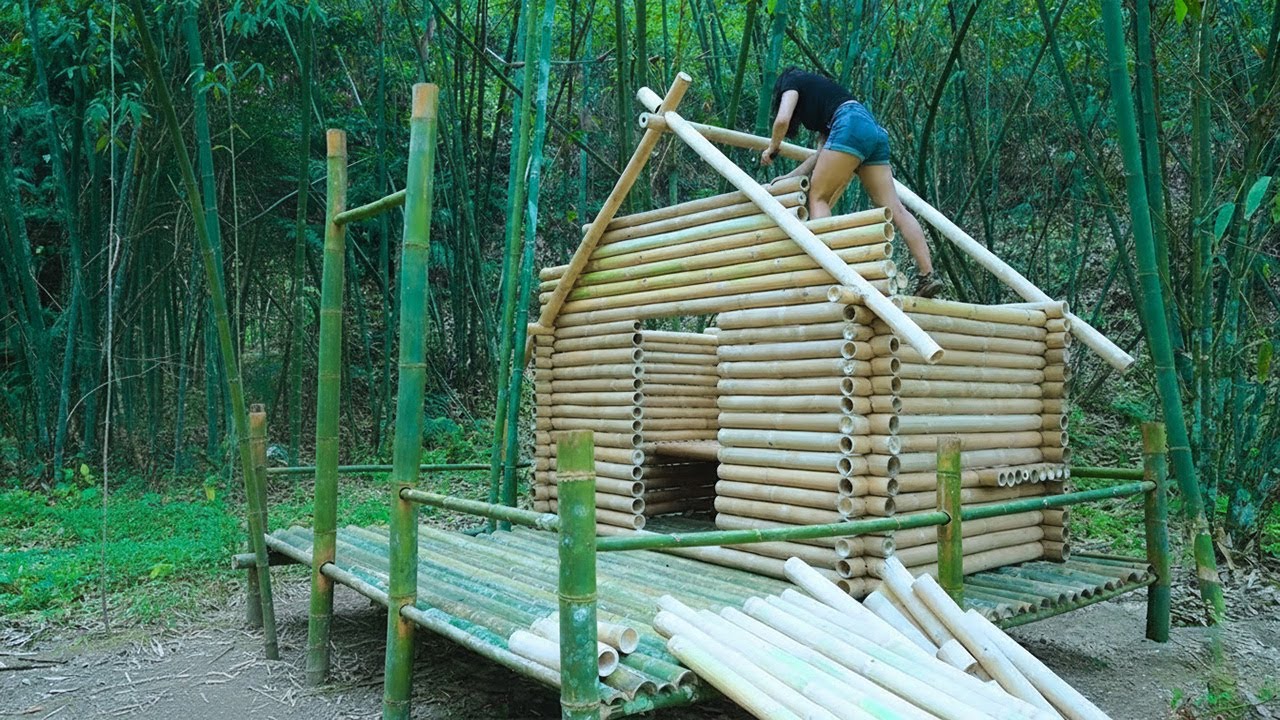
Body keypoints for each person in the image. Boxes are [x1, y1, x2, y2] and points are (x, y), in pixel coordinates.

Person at [760, 68, 943, 298]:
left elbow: (782, 120)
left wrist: (772, 147)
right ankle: (928, 274)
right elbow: (823, 154)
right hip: (871, 130)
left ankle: (829, 269)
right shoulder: (826, 97)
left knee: (818, 196)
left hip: (848, 124)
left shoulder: (791, 80)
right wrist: (791, 177)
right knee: (895, 208)